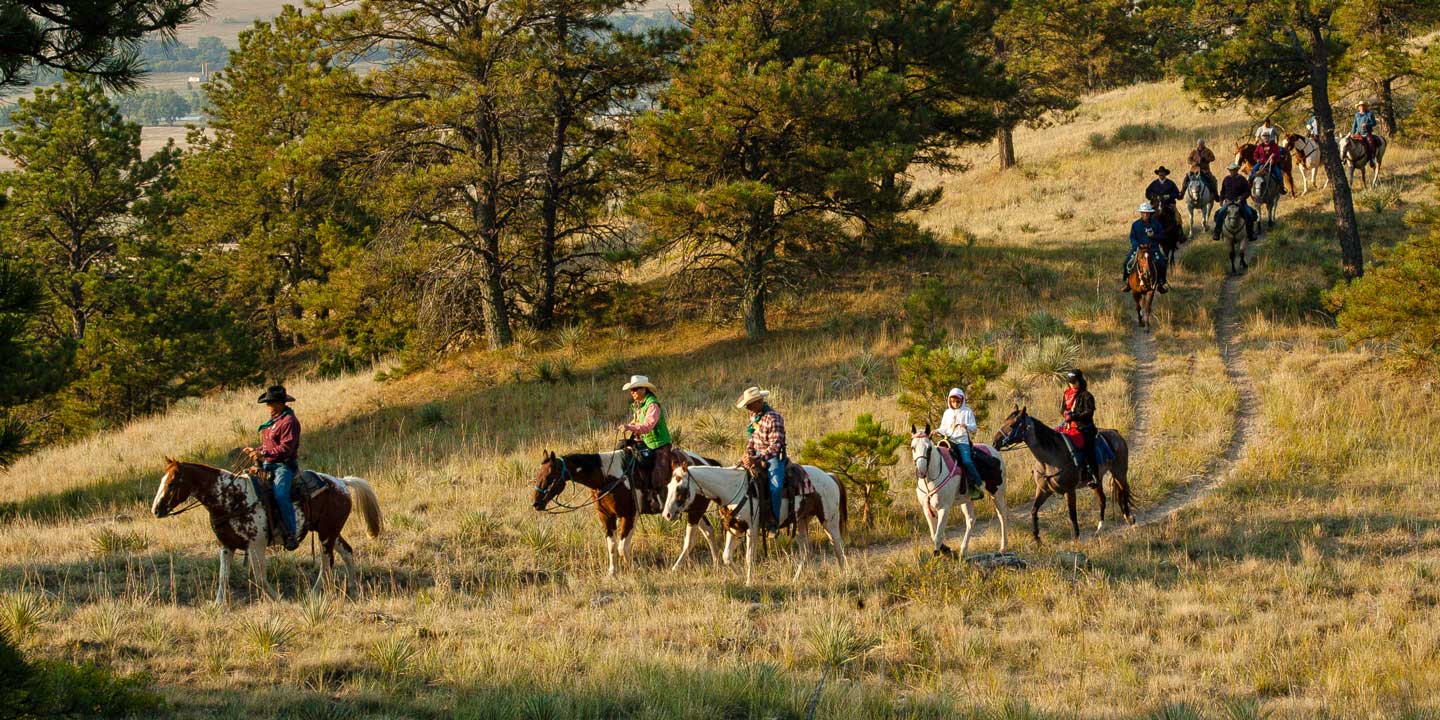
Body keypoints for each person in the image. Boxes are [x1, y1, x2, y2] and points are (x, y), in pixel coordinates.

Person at [244, 385, 302, 550]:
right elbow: (267, 447)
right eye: (267, 403)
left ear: (280, 403)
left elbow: (286, 449)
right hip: (268, 464)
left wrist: (261, 453)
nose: (267, 406)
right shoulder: (272, 423)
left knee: (281, 494)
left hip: (283, 466)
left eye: (270, 403)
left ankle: (291, 533)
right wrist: (255, 452)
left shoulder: (289, 422)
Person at [618, 375, 673, 514]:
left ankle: (660, 501)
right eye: (632, 389)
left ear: (644, 389)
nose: (633, 392)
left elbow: (647, 426)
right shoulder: (639, 405)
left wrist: (630, 428)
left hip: (660, 444)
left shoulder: (652, 405)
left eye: (636, 389)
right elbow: (638, 422)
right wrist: (630, 425)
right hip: (646, 442)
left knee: (658, 475)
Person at [737, 386, 787, 531]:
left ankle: (773, 522)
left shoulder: (773, 418)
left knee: (776, 487)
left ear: (759, 402)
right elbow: (752, 439)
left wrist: (758, 459)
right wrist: (748, 454)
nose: (748, 408)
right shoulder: (754, 416)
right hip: (756, 455)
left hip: (773, 457)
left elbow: (776, 445)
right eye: (747, 405)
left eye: (750, 404)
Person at [938, 388, 984, 501]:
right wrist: (936, 431)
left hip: (962, 442)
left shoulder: (967, 411)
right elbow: (943, 428)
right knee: (938, 457)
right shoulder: (947, 413)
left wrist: (966, 426)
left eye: (958, 401)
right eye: (953, 401)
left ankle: (978, 484)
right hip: (949, 440)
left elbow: (974, 428)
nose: (955, 404)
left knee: (967, 462)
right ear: (949, 401)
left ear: (962, 400)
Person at [1059, 370, 1100, 487]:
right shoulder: (1066, 394)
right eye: (1070, 382)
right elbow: (1062, 409)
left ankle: (1094, 477)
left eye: (1074, 382)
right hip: (1068, 426)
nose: (1072, 385)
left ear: (1080, 381)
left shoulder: (1087, 396)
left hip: (1085, 427)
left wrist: (1075, 416)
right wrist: (1065, 414)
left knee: (1088, 450)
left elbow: (1089, 412)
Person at [1121, 202, 1167, 293]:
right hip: (1138, 249)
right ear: (1141, 213)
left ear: (1150, 213)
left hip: (1153, 249)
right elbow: (1132, 237)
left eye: (1147, 212)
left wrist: (1154, 236)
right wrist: (1137, 245)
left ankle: (1161, 283)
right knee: (1126, 263)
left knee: (1162, 263)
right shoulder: (1135, 225)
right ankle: (1127, 283)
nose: (1145, 214)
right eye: (1143, 212)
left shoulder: (1156, 224)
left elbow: (1162, 236)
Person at [1213, 162, 1258, 244]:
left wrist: (1241, 198)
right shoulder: (1226, 179)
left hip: (1240, 202)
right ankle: (1217, 232)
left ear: (1237, 170)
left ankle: (1251, 233)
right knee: (1220, 213)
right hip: (1228, 202)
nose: (1232, 171)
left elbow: (1247, 191)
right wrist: (1221, 199)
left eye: (1234, 170)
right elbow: (1222, 191)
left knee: (1249, 214)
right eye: (1231, 170)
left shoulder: (1242, 179)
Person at [1351, 101, 1379, 165]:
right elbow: (1354, 125)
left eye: (1363, 106)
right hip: (1358, 133)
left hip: (1366, 133)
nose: (1362, 107)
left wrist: (1367, 124)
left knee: (1370, 143)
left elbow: (1374, 123)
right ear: (1358, 107)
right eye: (1360, 106)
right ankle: (1346, 159)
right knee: (1349, 143)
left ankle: (1371, 158)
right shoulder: (1357, 115)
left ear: (1365, 107)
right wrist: (1352, 133)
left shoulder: (1369, 114)